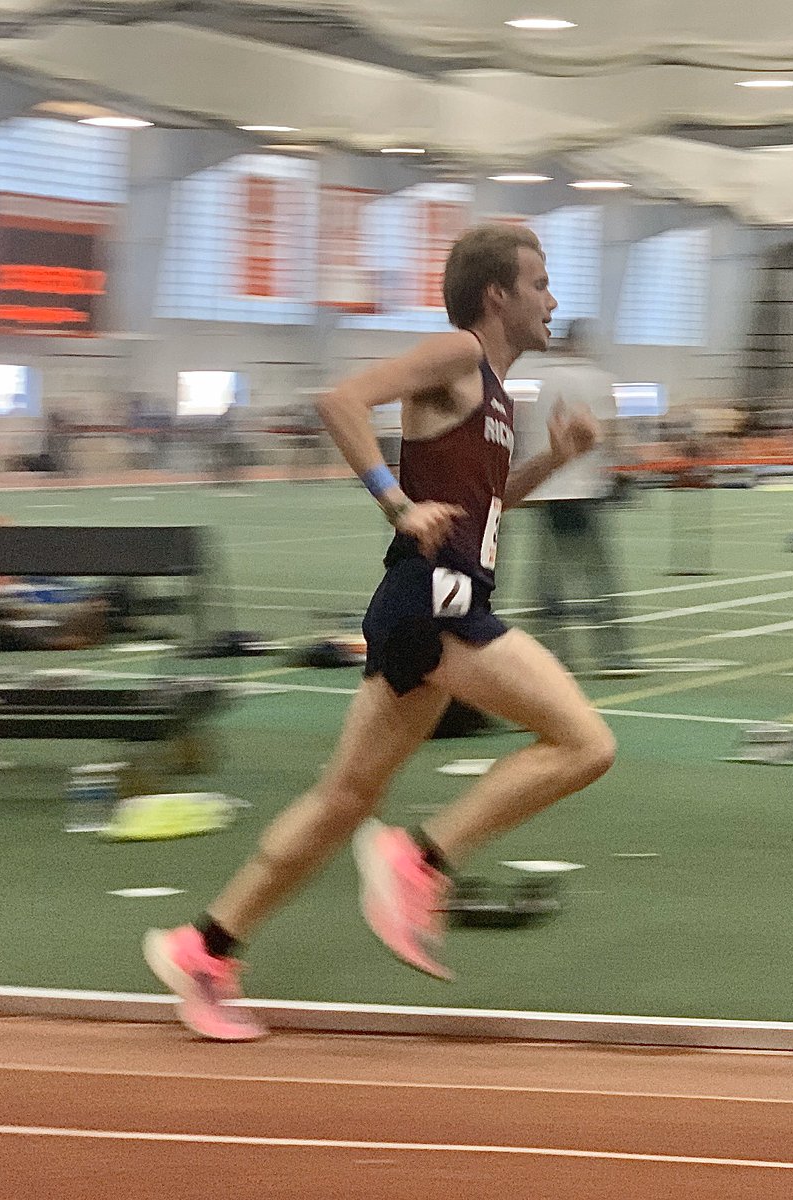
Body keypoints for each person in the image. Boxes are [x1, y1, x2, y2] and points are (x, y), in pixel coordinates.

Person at [143, 223, 617, 1041]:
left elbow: (485, 508)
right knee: (584, 743)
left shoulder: (496, 396)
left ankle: (205, 949)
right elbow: (340, 401)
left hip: (422, 603)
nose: (553, 299)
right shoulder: (458, 354)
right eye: (540, 283)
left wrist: (553, 459)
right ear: (497, 294)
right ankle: (421, 861)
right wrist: (395, 502)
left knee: (343, 800)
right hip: (439, 601)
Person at [511, 319, 640, 675]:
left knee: (547, 578)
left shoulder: (534, 378)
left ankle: (552, 654)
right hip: (582, 490)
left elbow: (517, 431)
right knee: (598, 577)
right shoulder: (597, 378)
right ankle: (613, 654)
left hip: (542, 488)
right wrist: (621, 474)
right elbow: (609, 433)